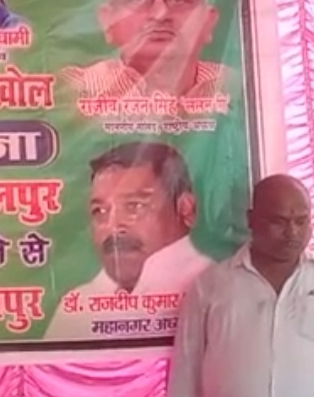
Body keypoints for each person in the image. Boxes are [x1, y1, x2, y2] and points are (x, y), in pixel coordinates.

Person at [45, 142, 213, 339]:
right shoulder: (78, 307)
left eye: (134, 206)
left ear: (186, 209)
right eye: (100, 211)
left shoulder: (218, 289)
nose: (113, 226)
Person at [168, 174, 314, 397]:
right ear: (251, 219)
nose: (292, 233)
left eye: (301, 221)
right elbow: (185, 373)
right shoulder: (209, 286)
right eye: (279, 221)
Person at [62, 0, 229, 99]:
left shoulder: (235, 87)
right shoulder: (72, 91)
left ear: (208, 21)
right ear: (107, 20)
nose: (160, 14)